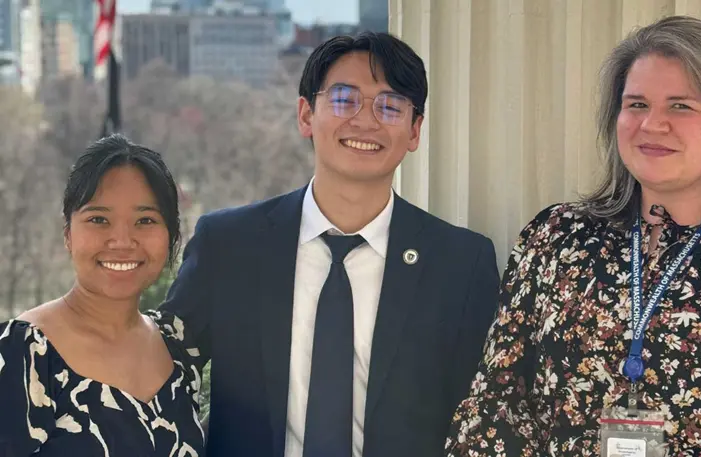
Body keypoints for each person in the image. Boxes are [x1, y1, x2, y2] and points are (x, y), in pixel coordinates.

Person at [445, 15, 701, 457]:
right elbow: (496, 408)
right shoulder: (556, 238)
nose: (652, 124)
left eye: (680, 106)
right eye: (636, 105)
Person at [160, 31, 500, 457]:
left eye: (390, 106)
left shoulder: (460, 265)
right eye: (344, 98)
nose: (365, 120)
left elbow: (483, 417)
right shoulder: (229, 247)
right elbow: (162, 372)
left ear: (415, 131)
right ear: (306, 114)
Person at [0, 134, 205, 456]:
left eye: (145, 220)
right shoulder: (21, 355)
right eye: (99, 219)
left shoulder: (177, 347)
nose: (122, 241)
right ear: (68, 234)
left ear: (171, 235)